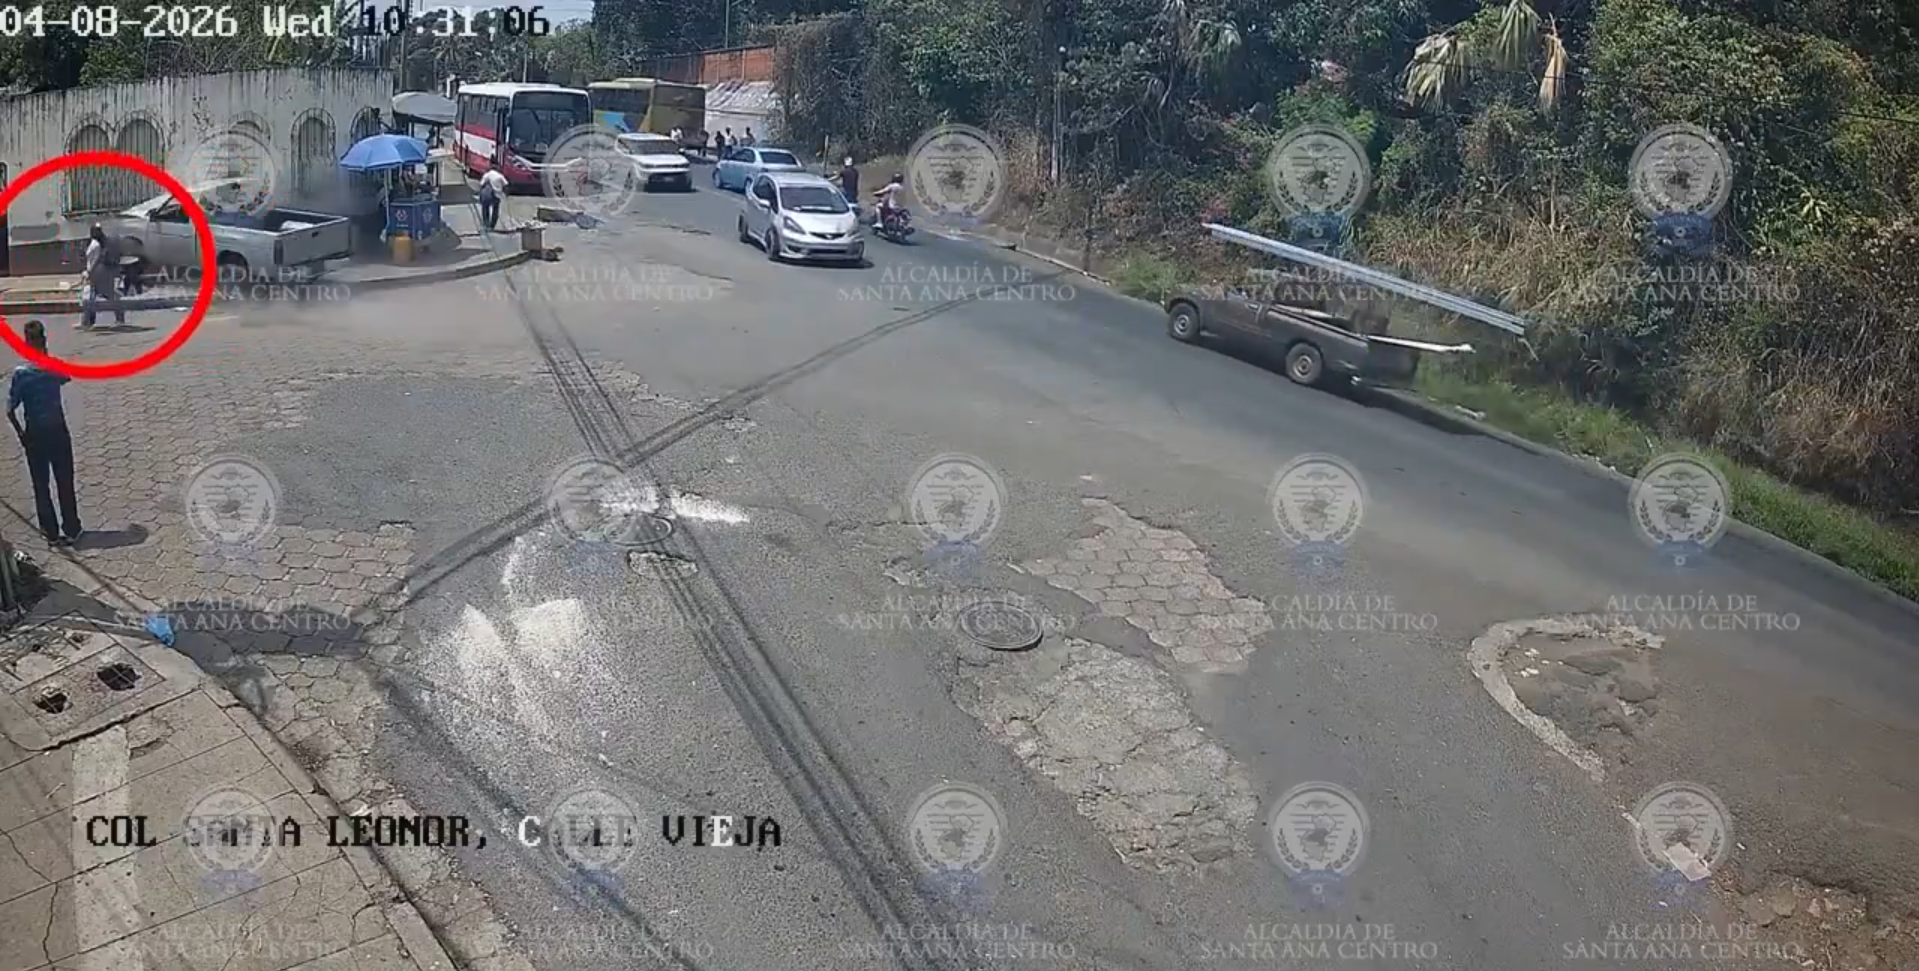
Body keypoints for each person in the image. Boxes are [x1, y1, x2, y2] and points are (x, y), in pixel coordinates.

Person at [8, 321, 81, 545]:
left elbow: (10, 410)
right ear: (44, 341)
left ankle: (50, 532)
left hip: (34, 433)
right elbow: (67, 376)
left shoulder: (21, 374)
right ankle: (72, 528)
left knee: (41, 484)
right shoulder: (54, 366)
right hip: (57, 429)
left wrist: (21, 434)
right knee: (65, 479)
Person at [79, 224, 124, 330]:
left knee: (95, 296)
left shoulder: (97, 245)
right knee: (91, 296)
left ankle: (88, 321)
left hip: (99, 274)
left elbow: (96, 260)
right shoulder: (99, 243)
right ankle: (87, 321)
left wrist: (89, 272)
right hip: (100, 274)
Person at [478, 165, 507, 232]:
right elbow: (506, 184)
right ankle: (492, 225)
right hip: (497, 195)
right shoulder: (500, 176)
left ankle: (486, 224)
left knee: (485, 208)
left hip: (487, 195)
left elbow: (481, 184)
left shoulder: (487, 175)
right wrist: (506, 193)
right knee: (495, 210)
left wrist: (480, 194)